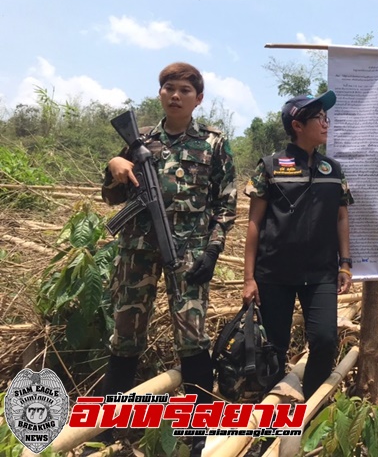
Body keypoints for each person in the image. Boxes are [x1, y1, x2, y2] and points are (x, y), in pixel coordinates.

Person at [101, 62, 237, 456]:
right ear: (160, 93)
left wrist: (213, 250)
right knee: (125, 335)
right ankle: (109, 429)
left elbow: (225, 206)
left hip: (189, 254)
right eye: (169, 88)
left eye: (184, 90)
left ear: (198, 98)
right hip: (136, 252)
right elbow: (111, 197)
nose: (175, 95)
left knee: (193, 338)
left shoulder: (213, 143)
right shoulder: (140, 138)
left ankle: (196, 435)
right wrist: (115, 166)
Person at [242, 90, 353, 400]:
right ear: (298, 125)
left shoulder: (333, 169)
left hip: (321, 273)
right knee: (274, 346)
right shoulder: (271, 166)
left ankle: (311, 404)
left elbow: (342, 218)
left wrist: (345, 263)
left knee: (325, 339)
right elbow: (254, 223)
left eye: (325, 116)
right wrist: (249, 278)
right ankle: (271, 414)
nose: (325, 123)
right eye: (319, 117)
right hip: (274, 273)